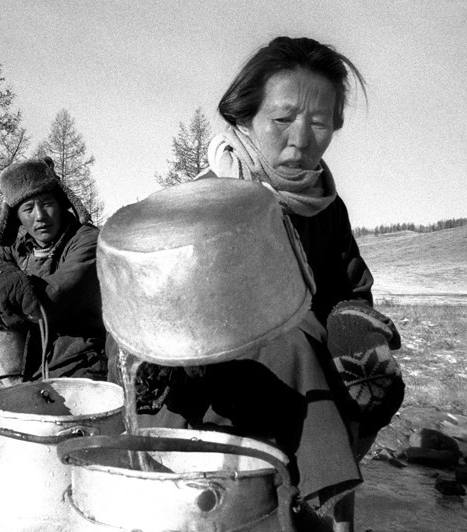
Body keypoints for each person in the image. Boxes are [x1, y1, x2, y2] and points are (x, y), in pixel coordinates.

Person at [116, 37, 403, 532]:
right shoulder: (201, 204)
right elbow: (146, 313)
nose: (300, 139)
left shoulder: (326, 208)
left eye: (318, 122)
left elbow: (348, 290)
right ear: (245, 117)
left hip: (309, 390)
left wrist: (354, 329)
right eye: (282, 119)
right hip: (211, 397)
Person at [0, 156, 107, 382]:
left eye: (47, 204)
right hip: (32, 350)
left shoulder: (88, 241)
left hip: (80, 354)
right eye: (28, 209)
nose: (40, 217)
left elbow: (50, 301)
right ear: (18, 218)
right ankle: (13, 383)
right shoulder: (20, 246)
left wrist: (12, 287)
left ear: (62, 204)